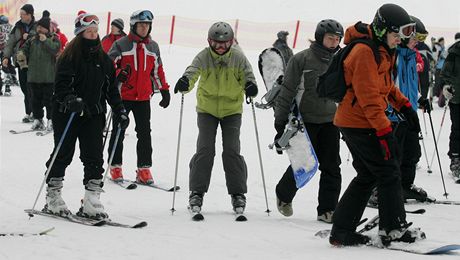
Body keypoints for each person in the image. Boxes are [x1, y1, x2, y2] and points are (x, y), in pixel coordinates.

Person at [329, 4, 423, 246]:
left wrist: (405, 107)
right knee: (389, 172)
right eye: (396, 35)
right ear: (382, 30)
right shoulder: (363, 52)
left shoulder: (382, 50)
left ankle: (341, 229)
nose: (398, 41)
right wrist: (385, 132)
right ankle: (393, 229)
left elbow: (386, 86)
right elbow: (368, 97)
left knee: (369, 174)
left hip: (361, 121)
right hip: (358, 123)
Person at [43, 12, 128, 219]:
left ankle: (91, 199)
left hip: (93, 114)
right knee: (63, 153)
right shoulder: (69, 57)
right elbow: (61, 86)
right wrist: (71, 100)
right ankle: (53, 195)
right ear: (80, 33)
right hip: (68, 113)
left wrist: (120, 110)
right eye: (88, 31)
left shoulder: (104, 60)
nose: (92, 35)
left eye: (95, 31)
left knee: (94, 157)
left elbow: (111, 90)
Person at [174, 21, 258, 214]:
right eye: (217, 43)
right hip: (207, 110)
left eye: (225, 43)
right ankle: (197, 191)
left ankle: (238, 194)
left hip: (231, 111)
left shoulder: (238, 57)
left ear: (231, 42)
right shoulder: (203, 56)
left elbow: (248, 76)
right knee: (205, 149)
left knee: (231, 150)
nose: (221, 47)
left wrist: (251, 87)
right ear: (210, 42)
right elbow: (192, 72)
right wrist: (186, 82)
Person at [273, 19, 343, 223]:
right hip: (305, 121)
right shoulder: (302, 59)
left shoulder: (340, 60)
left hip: (331, 121)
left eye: (337, 39)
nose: (334, 42)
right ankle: (283, 195)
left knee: (332, 166)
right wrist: (280, 122)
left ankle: (328, 210)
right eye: (330, 38)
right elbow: (287, 91)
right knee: (303, 163)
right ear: (320, 37)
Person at [107, 10, 171, 184]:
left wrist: (164, 90)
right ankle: (115, 166)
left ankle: (144, 169)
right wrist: (119, 73)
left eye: (147, 25)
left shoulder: (153, 47)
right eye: (141, 25)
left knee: (144, 133)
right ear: (133, 26)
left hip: (143, 97)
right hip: (123, 97)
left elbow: (157, 70)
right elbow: (108, 65)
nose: (144, 28)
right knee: (119, 131)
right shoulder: (122, 44)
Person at [385, 16, 428, 202]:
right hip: (393, 116)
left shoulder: (411, 57)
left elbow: (410, 85)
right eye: (414, 37)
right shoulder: (392, 56)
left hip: (408, 113)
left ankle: (405, 186)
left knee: (411, 153)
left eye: (421, 38)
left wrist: (420, 98)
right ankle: (381, 190)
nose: (417, 42)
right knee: (393, 155)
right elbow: (388, 86)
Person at [20, 16, 60, 131]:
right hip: (33, 77)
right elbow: (23, 49)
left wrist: (45, 41)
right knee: (35, 100)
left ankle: (50, 120)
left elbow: (56, 50)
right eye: (38, 27)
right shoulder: (32, 40)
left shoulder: (54, 39)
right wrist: (21, 55)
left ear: (47, 28)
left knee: (49, 101)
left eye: (42, 27)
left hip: (48, 77)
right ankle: (38, 119)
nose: (39, 29)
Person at [2, 4, 37, 122]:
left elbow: (44, 38)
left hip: (35, 62)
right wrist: (6, 56)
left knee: (32, 88)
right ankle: (30, 111)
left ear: (30, 15)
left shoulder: (37, 26)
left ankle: (32, 112)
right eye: (20, 14)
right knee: (24, 87)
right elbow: (10, 42)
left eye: (23, 14)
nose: (21, 16)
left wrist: (30, 35)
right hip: (21, 61)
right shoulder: (17, 26)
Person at [440, 32, 460, 180]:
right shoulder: (454, 52)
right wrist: (446, 86)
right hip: (457, 97)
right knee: (458, 129)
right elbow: (444, 73)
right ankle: (456, 159)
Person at [413, 17, 433, 100]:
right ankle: (420, 99)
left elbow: (431, 58)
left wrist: (431, 68)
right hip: (418, 70)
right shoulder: (413, 48)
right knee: (420, 85)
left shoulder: (425, 47)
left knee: (423, 85)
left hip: (424, 70)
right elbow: (431, 59)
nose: (418, 41)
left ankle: (422, 99)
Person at [0, 14, 15, 96]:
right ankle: (7, 87)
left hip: (2, 49)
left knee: (4, 68)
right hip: (8, 51)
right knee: (6, 67)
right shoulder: (11, 27)